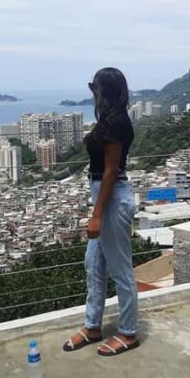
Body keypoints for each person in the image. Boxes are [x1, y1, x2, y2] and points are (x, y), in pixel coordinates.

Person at [63, 67, 139, 356]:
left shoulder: (117, 121)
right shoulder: (109, 119)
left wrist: (96, 215)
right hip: (103, 194)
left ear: (104, 91)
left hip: (112, 196)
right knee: (93, 265)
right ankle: (93, 326)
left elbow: (110, 172)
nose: (94, 95)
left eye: (96, 90)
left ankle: (128, 332)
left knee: (120, 269)